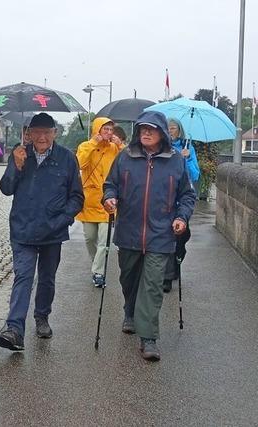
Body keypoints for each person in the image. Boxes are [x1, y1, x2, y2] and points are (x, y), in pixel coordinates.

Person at [103, 111, 196, 361]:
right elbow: (110, 184)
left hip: (161, 234)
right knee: (129, 279)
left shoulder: (176, 161)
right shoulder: (125, 157)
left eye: (152, 129)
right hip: (129, 232)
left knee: (153, 286)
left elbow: (187, 195)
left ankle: (149, 338)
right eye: (142, 128)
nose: (146, 132)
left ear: (162, 133)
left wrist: (181, 217)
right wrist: (109, 197)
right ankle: (130, 311)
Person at [0, 113, 84, 351]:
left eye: (47, 132)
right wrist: (16, 166)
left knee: (47, 279)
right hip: (23, 228)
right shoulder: (20, 155)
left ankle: (42, 315)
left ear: (55, 133)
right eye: (37, 132)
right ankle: (14, 329)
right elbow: (6, 189)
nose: (42, 137)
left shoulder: (67, 158)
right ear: (29, 134)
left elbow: (77, 196)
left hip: (52, 231)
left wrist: (63, 219)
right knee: (23, 277)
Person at [75, 117, 125, 287]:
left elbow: (128, 163)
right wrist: (92, 144)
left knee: (104, 241)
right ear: (97, 130)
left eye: (111, 130)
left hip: (108, 201)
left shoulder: (114, 148)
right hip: (89, 201)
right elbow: (80, 164)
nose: (108, 133)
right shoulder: (85, 146)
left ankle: (98, 272)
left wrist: (120, 146)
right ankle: (97, 264)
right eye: (105, 129)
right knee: (89, 238)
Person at [163, 118, 200, 292]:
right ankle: (167, 277)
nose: (170, 131)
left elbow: (194, 175)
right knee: (168, 238)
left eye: (173, 128)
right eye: (168, 128)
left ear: (179, 130)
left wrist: (188, 158)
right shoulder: (161, 148)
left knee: (182, 239)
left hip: (181, 201)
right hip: (165, 201)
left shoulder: (187, 148)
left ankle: (176, 262)